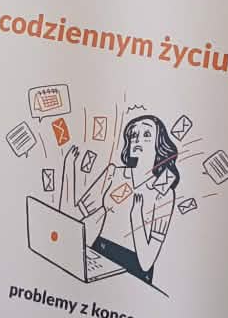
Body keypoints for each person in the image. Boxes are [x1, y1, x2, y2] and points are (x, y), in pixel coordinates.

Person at [72, 111, 181, 284]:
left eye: (146, 134)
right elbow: (80, 216)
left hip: (133, 268)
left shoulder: (164, 192)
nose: (137, 139)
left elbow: (146, 262)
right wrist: (69, 169)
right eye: (133, 135)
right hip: (99, 250)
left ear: (159, 145)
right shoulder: (113, 173)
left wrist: (136, 217)